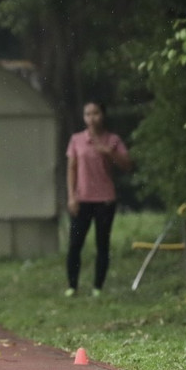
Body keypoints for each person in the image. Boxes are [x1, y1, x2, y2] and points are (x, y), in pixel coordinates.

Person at [64, 101, 132, 297]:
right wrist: (71, 196)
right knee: (75, 243)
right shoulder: (77, 140)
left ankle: (97, 287)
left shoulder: (113, 140)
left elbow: (127, 165)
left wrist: (109, 152)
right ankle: (72, 285)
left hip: (105, 199)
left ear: (103, 115)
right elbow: (72, 168)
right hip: (82, 197)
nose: (92, 118)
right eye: (87, 114)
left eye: (96, 113)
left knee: (102, 243)